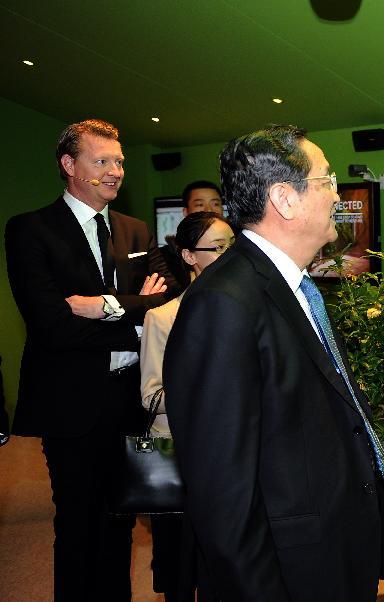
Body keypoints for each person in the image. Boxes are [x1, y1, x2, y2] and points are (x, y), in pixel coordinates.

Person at [163, 125, 384, 600]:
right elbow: (223, 493)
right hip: (292, 571)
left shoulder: (294, 285)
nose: (337, 196)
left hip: (335, 547)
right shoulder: (222, 303)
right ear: (285, 199)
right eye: (327, 181)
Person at [4, 118, 177, 599]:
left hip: (131, 401)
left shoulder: (136, 229)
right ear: (69, 165)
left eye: (119, 161)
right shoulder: (30, 230)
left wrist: (103, 305)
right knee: (78, 526)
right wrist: (136, 309)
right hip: (70, 405)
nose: (116, 171)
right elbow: (53, 328)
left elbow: (170, 301)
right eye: (102, 161)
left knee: (122, 522)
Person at [140, 211, 234, 601]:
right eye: (217, 248)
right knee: (178, 566)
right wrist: (211, 390)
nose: (228, 256)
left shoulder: (243, 311)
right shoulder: (161, 318)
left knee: (226, 562)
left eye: (233, 246)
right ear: (189, 256)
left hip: (230, 454)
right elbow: (151, 396)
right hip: (177, 456)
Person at [159, 180, 225, 291]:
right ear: (185, 212)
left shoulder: (238, 246)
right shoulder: (166, 257)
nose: (209, 210)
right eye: (200, 204)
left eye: (215, 204)